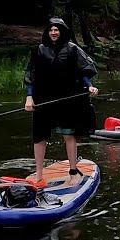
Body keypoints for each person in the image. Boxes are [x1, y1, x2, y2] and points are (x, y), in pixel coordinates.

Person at [24, 18, 99, 185]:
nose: (53, 32)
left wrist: (90, 86)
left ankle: (73, 171)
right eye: (51, 29)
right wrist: (29, 97)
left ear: (62, 31)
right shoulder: (39, 50)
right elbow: (31, 74)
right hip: (43, 99)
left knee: (68, 134)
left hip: (66, 98)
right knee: (39, 136)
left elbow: (83, 71)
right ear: (47, 32)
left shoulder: (72, 49)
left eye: (56, 29)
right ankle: (38, 174)